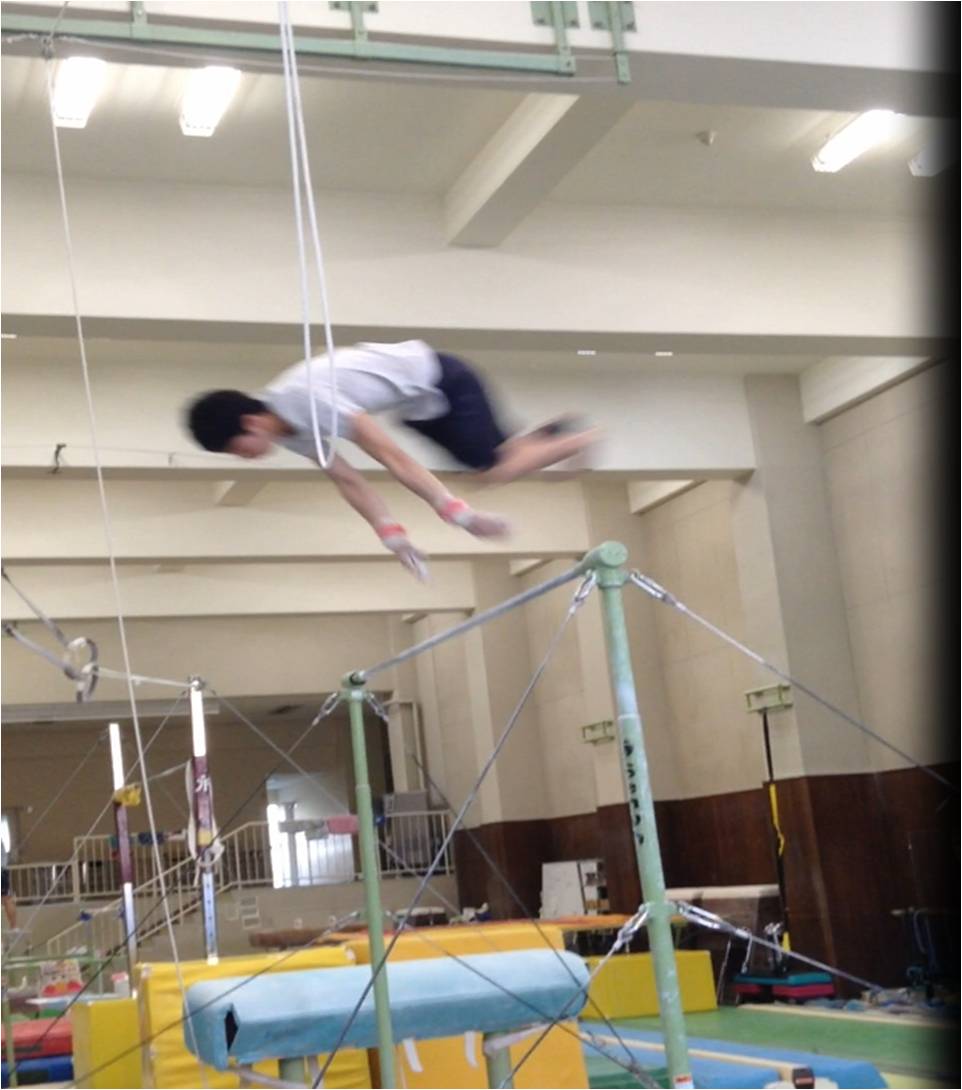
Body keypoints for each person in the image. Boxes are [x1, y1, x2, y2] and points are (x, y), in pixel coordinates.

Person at [186, 341, 598, 578]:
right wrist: (391, 535)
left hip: (442, 382)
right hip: (417, 403)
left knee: (493, 470)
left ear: (249, 423)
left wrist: (459, 514)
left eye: (238, 450)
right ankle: (554, 435)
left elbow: (390, 456)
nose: (245, 460)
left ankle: (581, 438)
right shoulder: (287, 428)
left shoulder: (305, 400)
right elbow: (347, 479)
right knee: (491, 461)